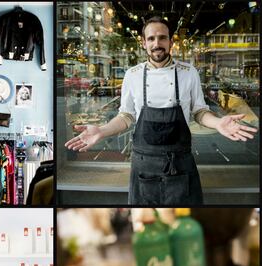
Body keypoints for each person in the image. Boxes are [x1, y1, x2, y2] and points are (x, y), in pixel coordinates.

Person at [65, 16, 258, 205]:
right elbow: (126, 116)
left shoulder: (188, 72)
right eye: (151, 38)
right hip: (143, 164)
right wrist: (101, 131)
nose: (157, 43)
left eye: (162, 38)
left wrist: (218, 122)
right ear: (143, 43)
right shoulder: (132, 75)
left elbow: (199, 111)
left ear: (170, 41)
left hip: (180, 162)